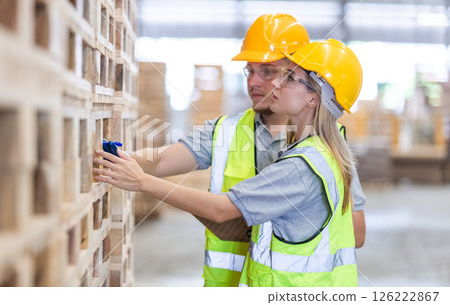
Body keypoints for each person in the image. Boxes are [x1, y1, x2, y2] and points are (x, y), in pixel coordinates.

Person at [93, 38, 363, 287]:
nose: (261, 82)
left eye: (281, 75)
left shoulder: (304, 163)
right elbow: (163, 160)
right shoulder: (319, 150)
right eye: (250, 71)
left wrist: (141, 182)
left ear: (314, 98)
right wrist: (117, 158)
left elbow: (222, 210)